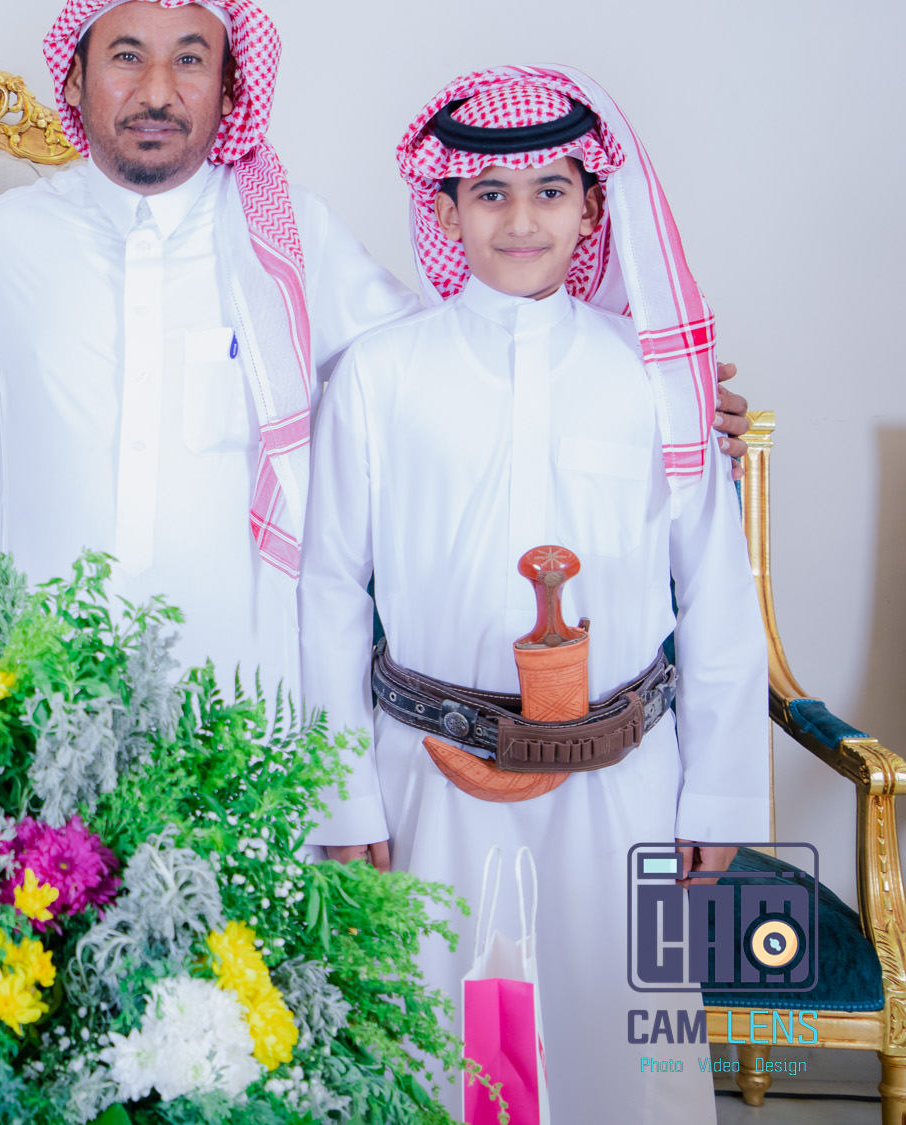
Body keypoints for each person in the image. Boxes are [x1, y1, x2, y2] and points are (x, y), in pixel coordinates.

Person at [0, 0, 754, 702]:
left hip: (243, 698)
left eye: (190, 59)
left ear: (229, 87)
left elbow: (447, 368)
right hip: (39, 691)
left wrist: (649, 394)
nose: (157, 91)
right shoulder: (10, 238)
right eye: (126, 56)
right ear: (75, 78)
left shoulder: (291, 237)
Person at [300, 67, 769, 1122]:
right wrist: (344, 797)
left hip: (626, 779)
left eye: (550, 192)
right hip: (429, 779)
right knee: (448, 1053)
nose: (520, 221)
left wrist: (722, 794)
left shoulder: (657, 376)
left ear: (592, 209)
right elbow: (329, 592)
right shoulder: (379, 375)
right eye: (489, 194)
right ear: (444, 211)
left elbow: (713, 587)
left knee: (626, 1058)